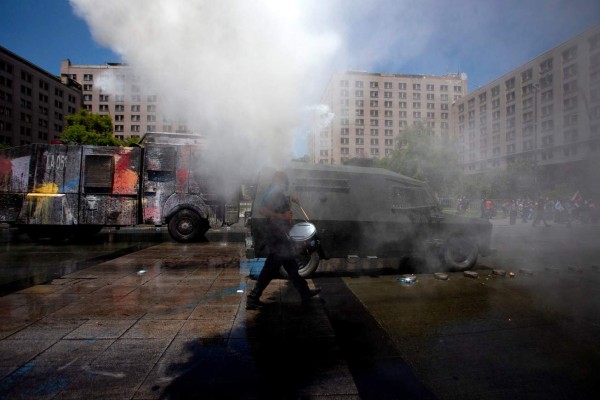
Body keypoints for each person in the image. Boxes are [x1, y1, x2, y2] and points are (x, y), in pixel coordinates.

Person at [246, 171, 321, 310]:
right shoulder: (272, 193)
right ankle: (252, 298)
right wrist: (281, 216)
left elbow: (281, 203)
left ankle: (305, 292)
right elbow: (262, 210)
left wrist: (291, 200)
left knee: (292, 267)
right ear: (279, 181)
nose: (285, 184)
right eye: (284, 181)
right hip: (276, 237)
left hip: (281, 236)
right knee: (270, 269)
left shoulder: (277, 193)